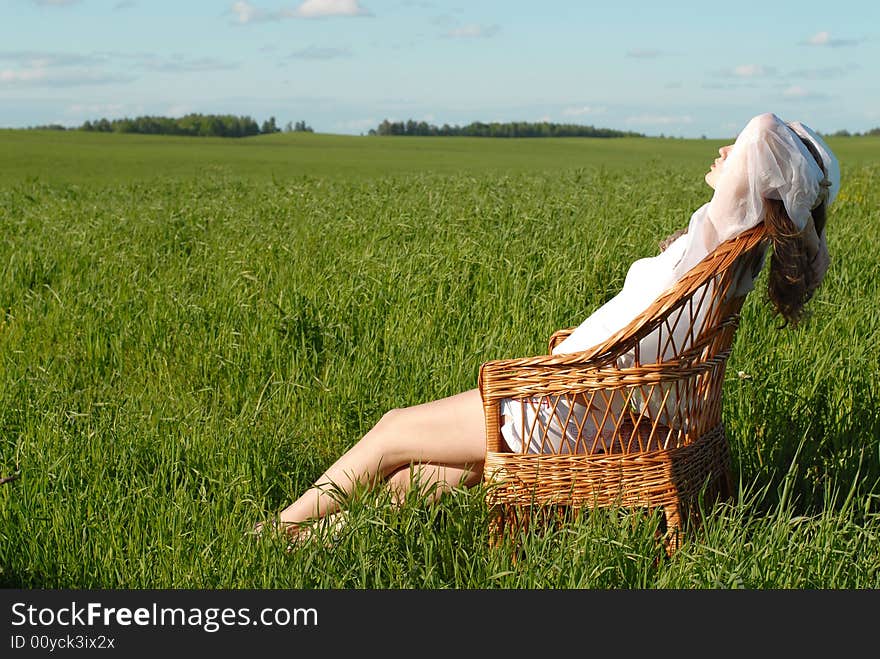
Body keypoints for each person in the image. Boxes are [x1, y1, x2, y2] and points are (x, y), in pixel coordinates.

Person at [254, 112, 840, 542]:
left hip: (565, 403)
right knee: (434, 471)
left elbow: (765, 131)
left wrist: (805, 216)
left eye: (735, 152)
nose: (723, 153)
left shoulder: (721, 242)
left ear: (767, 177)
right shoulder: (729, 255)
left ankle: (275, 531)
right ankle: (320, 542)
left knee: (391, 430)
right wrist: (803, 222)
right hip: (593, 402)